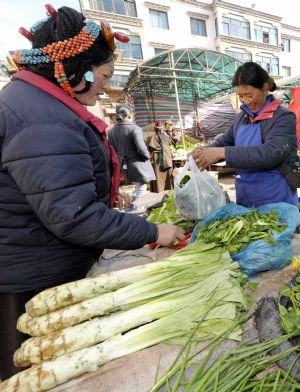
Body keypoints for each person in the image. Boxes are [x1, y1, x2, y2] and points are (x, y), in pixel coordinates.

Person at [0, 5, 185, 380]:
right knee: (32, 372)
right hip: (30, 274)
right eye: (103, 75)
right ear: (75, 71)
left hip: (30, 261)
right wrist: (154, 232)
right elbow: (74, 215)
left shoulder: (33, 102)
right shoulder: (43, 118)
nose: (105, 85)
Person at [192, 61, 298, 208]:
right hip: (246, 195)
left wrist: (222, 152)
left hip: (275, 195)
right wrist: (204, 151)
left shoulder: (283, 117)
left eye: (249, 95)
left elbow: (271, 153)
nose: (245, 101)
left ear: (265, 88)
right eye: (240, 96)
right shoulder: (242, 118)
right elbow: (225, 141)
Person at [108, 104, 155, 203]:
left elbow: (113, 150)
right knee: (141, 189)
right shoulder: (135, 128)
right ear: (130, 115)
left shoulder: (111, 131)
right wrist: (147, 156)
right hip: (137, 163)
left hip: (124, 163)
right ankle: (137, 210)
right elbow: (141, 149)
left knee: (138, 188)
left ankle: (132, 205)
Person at [148, 120, 174, 193]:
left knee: (159, 177)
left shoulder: (154, 137)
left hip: (158, 159)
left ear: (155, 129)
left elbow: (150, 148)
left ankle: (159, 192)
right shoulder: (165, 136)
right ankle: (167, 192)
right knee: (165, 178)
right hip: (167, 159)